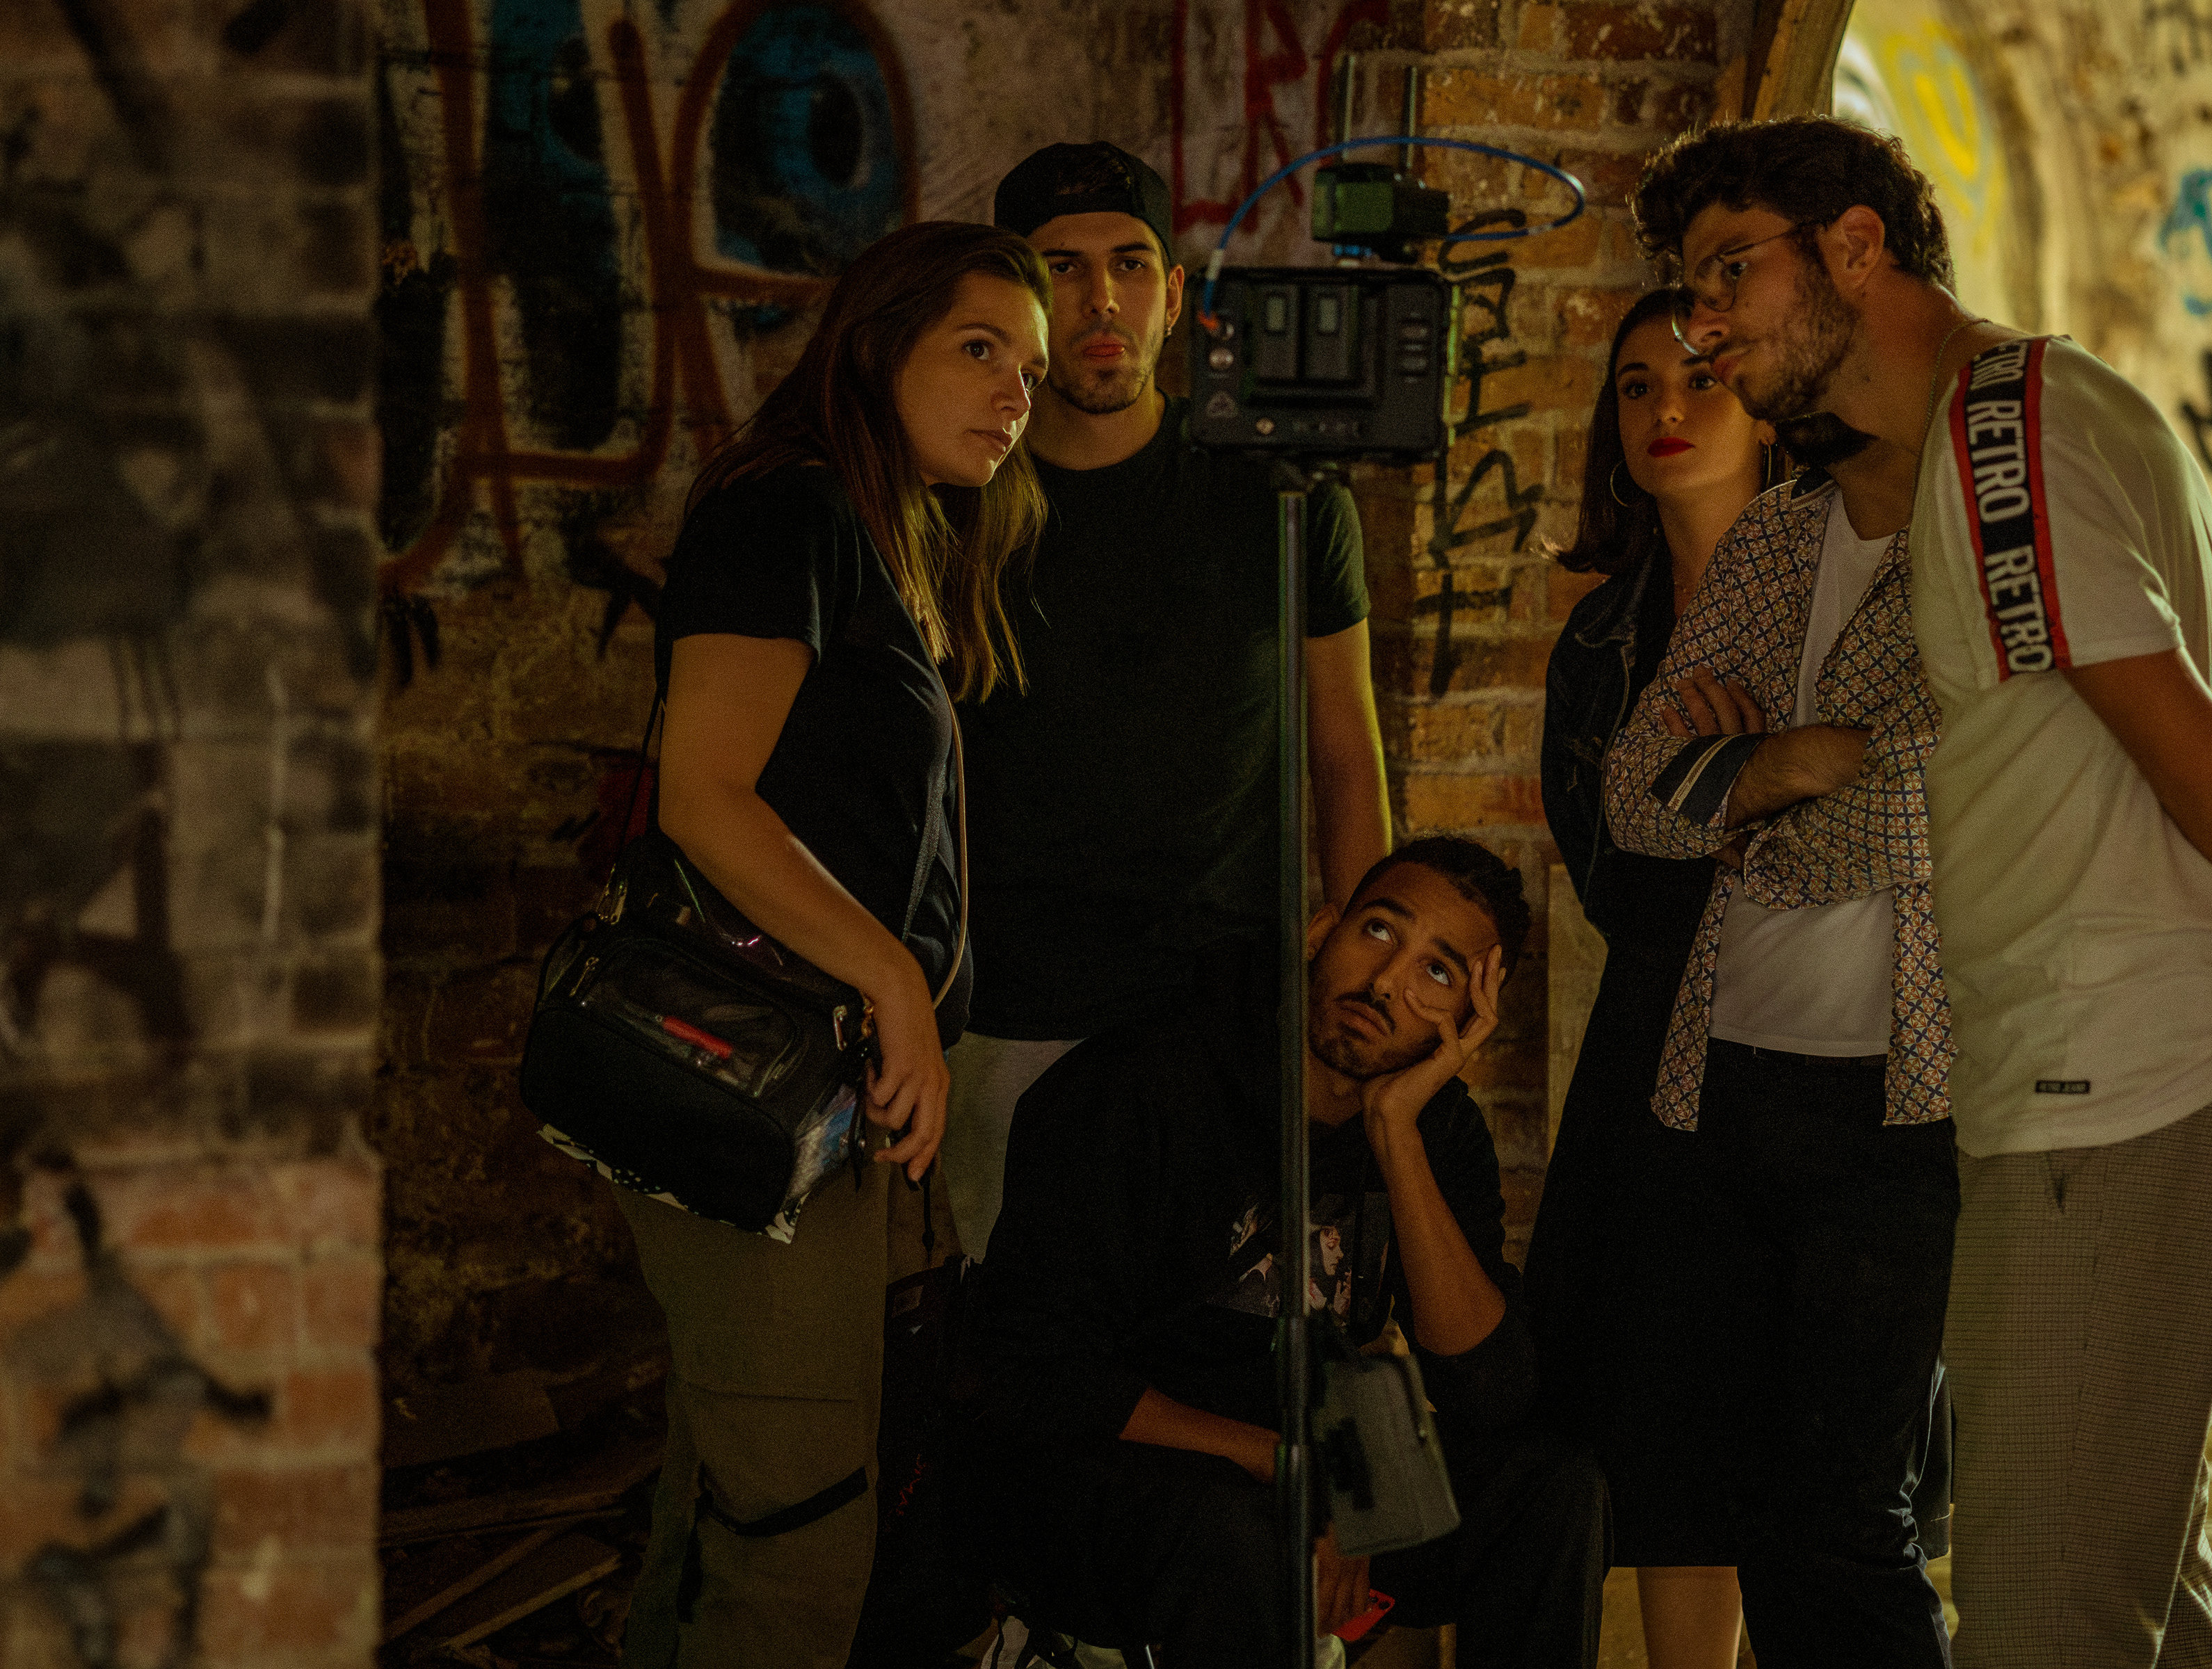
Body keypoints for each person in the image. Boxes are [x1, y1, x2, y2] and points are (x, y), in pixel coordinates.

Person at [1634, 116, 2212, 1668]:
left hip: (2110, 1075)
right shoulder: (2002, 428)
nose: (1702, 327)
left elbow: (2206, 765)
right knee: (2125, 1592)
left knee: (2043, 1611)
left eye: (1727, 274)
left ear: (1855, 247)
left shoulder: (2007, 442)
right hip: (2084, 1075)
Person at [614, 220, 1050, 1667]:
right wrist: (895, 982)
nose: (1013, 395)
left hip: (821, 1087)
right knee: (798, 1535)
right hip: (756, 1072)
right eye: (978, 349)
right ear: (875, 347)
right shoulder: (786, 510)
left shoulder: (881, 530)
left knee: (743, 1502)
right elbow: (703, 794)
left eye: (1031, 371)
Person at [958, 837, 1608, 1667]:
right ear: (1322, 931)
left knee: (1551, 1490)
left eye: (1438, 973)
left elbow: (1489, 1390)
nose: (1386, 983)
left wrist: (1394, 1133)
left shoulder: (1437, 1132)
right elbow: (1032, 1372)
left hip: (1312, 1459)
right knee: (1238, 1534)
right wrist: (1291, 1470)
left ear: (1470, 1017)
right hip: (1114, 1465)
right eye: (1379, 931)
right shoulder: (1149, 1080)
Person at [1587, 280, 1959, 1656]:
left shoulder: (1969, 547)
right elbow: (1634, 793)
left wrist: (1740, 786)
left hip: (1899, 1097)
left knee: (1849, 1516)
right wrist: (1797, 763)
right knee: (1742, 1495)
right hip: (1721, 1082)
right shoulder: (1777, 539)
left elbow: (1924, 798)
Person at [945, 141, 1391, 1261]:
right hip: (1012, 1010)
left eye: (1132, 264)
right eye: (1062, 268)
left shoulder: (1278, 488)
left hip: (1228, 1011)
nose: (1102, 299)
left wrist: (1362, 980)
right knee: (1021, 1329)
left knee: (1221, 1325)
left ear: (1176, 293)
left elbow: (1345, 752)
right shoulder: (956, 499)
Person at [1529, 287, 1784, 1668]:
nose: (1666, 410)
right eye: (1636, 387)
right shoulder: (1598, 643)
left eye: (1701, 378)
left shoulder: (1843, 594)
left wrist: (1742, 793)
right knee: (1666, 1407)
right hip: (1652, 1027)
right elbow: (1612, 875)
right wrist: (1715, 798)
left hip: (1810, 1031)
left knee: (1792, 1409)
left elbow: (1873, 828)